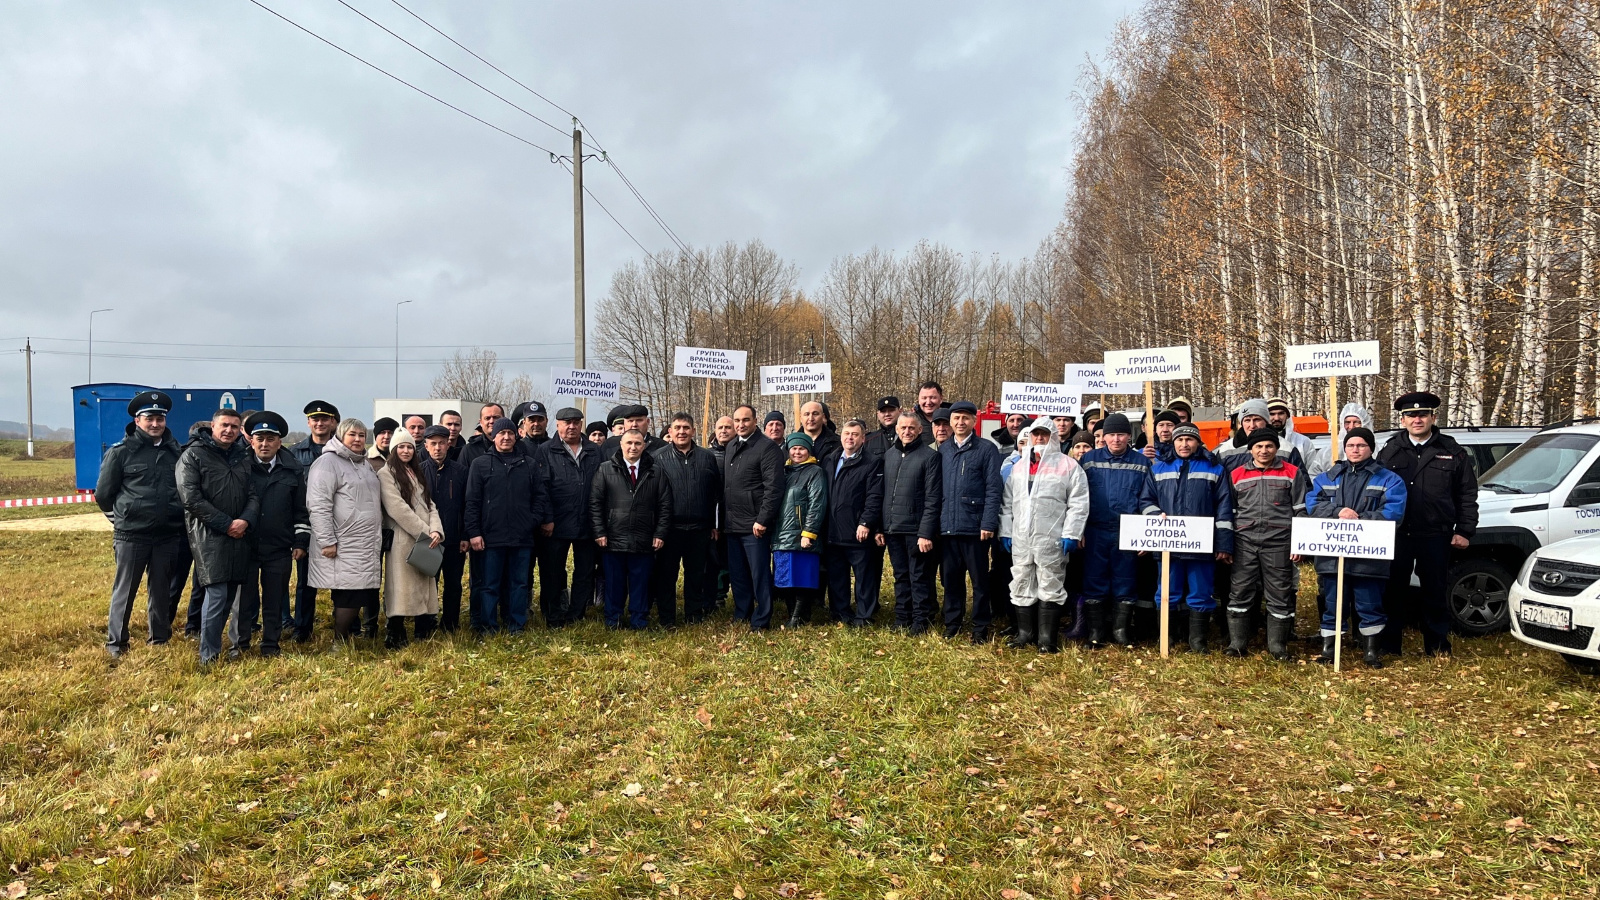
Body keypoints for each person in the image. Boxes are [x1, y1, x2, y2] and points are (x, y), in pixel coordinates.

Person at [1377, 391, 1478, 658]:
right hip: (1397, 534)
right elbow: (1374, 489)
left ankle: (1437, 647)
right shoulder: (1390, 450)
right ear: (1402, 420)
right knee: (1393, 591)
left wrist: (1465, 530)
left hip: (1436, 533)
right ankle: (1389, 647)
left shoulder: (1451, 450)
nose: (1417, 419)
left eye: (1423, 415)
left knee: (1434, 591)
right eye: (1411, 415)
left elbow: (1467, 493)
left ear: (1433, 417)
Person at [96, 391, 186, 660]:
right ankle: (117, 645)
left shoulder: (175, 453)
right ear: (137, 421)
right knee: (125, 590)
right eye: (149, 418)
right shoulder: (120, 453)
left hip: (167, 534)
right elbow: (103, 495)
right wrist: (121, 520)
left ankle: (159, 639)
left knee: (161, 591)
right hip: (131, 535)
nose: (155, 424)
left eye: (160, 418)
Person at [1309, 427, 1408, 668]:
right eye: (1351, 445)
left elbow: (1393, 513)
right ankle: (1329, 650)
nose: (1355, 449)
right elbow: (1312, 503)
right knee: (1333, 603)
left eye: (1361, 445)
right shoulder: (1329, 476)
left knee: (1369, 603)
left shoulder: (1388, 479)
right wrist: (1337, 512)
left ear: (1371, 448)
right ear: (1345, 448)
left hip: (1369, 558)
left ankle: (1371, 651)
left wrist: (1359, 519)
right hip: (1332, 556)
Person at [1136, 424, 1234, 653]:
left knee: (1201, 592)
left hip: (1202, 545)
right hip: (1167, 544)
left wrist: (1223, 543)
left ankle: (1198, 643)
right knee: (1167, 593)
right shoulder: (1158, 468)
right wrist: (1154, 515)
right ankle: (1166, 639)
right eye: (1180, 440)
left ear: (1198, 442)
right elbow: (1145, 500)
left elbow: (1224, 509)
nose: (1184, 444)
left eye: (1190, 440)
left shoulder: (1215, 469)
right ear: (1173, 442)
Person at [175, 408, 259, 666]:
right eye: (224, 425)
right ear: (212, 426)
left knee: (231, 591)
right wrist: (226, 524)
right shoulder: (193, 455)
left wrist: (244, 520)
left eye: (234, 427)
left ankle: (217, 646)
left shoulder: (243, 456)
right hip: (209, 536)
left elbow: (254, 494)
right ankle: (208, 655)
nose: (229, 430)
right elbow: (191, 499)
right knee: (217, 594)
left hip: (240, 534)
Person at [999, 418, 1090, 652]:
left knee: (1051, 583)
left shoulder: (1068, 466)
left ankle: (1047, 640)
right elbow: (1007, 503)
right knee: (1021, 581)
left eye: (1044, 435)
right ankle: (1024, 634)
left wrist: (1072, 533)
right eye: (1035, 435)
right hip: (1021, 538)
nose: (1039, 439)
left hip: (1052, 537)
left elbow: (1078, 503)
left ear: (1053, 437)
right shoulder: (1018, 467)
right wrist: (1006, 532)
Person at [1226, 429, 1310, 657]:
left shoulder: (1292, 473)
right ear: (1250, 449)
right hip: (1245, 542)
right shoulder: (1236, 474)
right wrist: (1228, 544)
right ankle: (1237, 644)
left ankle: (1277, 646)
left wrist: (1299, 544)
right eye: (1259, 447)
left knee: (1280, 593)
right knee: (1240, 592)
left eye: (1269, 446)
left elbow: (1301, 510)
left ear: (1276, 448)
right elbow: (1229, 512)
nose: (1264, 451)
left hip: (1279, 543)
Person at [464, 417, 549, 635]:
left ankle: (516, 625)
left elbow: (540, 498)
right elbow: (472, 502)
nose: (506, 437)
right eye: (502, 433)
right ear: (494, 436)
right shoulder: (480, 464)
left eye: (510, 433)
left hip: (522, 537)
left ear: (517, 435)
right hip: (491, 537)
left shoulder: (528, 464)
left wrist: (531, 521)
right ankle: (488, 626)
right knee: (490, 584)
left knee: (519, 584)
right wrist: (474, 533)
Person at [234, 411, 308, 659]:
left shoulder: (293, 469)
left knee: (275, 598)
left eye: (270, 439)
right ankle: (241, 644)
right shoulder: (239, 466)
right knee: (244, 598)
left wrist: (300, 541)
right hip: (245, 544)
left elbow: (300, 510)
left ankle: (270, 645)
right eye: (259, 438)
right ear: (251, 441)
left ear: (279, 442)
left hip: (279, 546)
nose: (264, 444)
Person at [307, 419, 384, 642]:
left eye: (362, 435)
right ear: (340, 436)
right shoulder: (327, 463)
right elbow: (318, 505)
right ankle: (339, 642)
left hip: (364, 542)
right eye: (352, 434)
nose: (358, 439)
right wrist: (327, 541)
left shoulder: (363, 463)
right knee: (347, 594)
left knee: (355, 591)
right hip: (343, 541)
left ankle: (349, 636)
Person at [1079, 413, 1152, 647]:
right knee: (1094, 579)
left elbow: (1146, 498)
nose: (1116, 439)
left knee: (1126, 580)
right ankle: (1096, 632)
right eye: (1111, 434)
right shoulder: (1088, 460)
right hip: (1095, 530)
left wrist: (1144, 535)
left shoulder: (1142, 463)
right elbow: (1078, 498)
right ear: (1104, 437)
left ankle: (1121, 631)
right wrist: (1078, 530)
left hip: (1128, 531)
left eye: (1121, 434)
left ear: (1129, 436)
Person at [589, 429, 672, 629]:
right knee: (614, 584)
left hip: (643, 539)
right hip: (613, 539)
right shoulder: (605, 469)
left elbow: (665, 505)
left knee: (640, 584)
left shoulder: (656, 472)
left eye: (637, 443)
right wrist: (599, 531)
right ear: (621, 445)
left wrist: (660, 533)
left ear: (643, 446)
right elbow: (595, 503)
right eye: (629, 443)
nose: (633, 447)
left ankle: (639, 620)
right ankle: (613, 619)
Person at [938, 401, 1003, 642]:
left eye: (965, 418)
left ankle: (980, 627)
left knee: (979, 581)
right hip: (948, 527)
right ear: (951, 422)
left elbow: (994, 489)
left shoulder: (987, 449)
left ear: (974, 421)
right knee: (951, 580)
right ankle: (952, 623)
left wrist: (988, 523)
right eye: (956, 418)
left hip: (975, 528)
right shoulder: (944, 450)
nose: (960, 422)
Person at [650, 413, 722, 626]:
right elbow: (652, 495)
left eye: (686, 428)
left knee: (696, 576)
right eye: (677, 428)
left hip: (699, 528)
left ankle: (694, 615)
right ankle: (667, 618)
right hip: (670, 528)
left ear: (693, 431)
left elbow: (715, 493)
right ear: (670, 432)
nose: (682, 432)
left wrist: (713, 524)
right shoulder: (658, 458)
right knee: (666, 576)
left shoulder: (707, 457)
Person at [377, 431, 446, 647]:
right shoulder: (385, 473)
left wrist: (436, 530)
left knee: (423, 583)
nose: (406, 451)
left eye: (409, 447)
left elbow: (430, 504)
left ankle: (422, 629)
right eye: (401, 447)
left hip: (425, 538)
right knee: (401, 587)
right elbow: (397, 509)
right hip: (403, 539)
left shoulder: (416, 471)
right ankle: (395, 632)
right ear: (393, 450)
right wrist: (426, 532)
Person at [723, 404, 785, 630]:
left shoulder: (767, 448)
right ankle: (742, 612)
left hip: (754, 525)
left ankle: (762, 618)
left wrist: (763, 519)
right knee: (738, 575)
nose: (741, 425)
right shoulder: (731, 446)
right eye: (737, 420)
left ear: (755, 421)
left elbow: (774, 489)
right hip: (732, 524)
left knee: (759, 575)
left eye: (746, 420)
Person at [880, 412, 943, 634]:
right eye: (903, 428)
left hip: (916, 530)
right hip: (893, 528)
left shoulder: (930, 457)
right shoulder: (889, 456)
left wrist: (926, 532)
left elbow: (933, 498)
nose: (907, 432)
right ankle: (901, 618)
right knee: (900, 576)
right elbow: (883, 493)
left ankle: (920, 621)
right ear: (897, 430)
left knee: (919, 577)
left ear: (919, 431)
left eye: (911, 428)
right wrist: (881, 527)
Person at [823, 419, 884, 626]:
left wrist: (866, 522)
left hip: (857, 530)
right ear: (841, 436)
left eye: (855, 434)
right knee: (837, 576)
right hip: (833, 530)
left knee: (864, 577)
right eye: (847, 433)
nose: (850, 437)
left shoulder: (871, 462)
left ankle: (864, 615)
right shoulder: (831, 460)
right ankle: (841, 613)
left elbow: (874, 496)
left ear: (863, 438)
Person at [288, 400, 339, 642]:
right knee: (306, 581)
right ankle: (302, 629)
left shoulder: (343, 450)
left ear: (332, 422)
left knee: (342, 579)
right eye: (315, 419)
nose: (320, 423)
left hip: (339, 525)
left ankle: (347, 625)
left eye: (324, 419)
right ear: (308, 422)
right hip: (308, 524)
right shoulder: (295, 453)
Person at [774, 432, 828, 626]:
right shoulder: (783, 472)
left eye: (802, 448)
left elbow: (817, 503)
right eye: (794, 448)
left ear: (808, 451)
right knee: (785, 577)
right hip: (781, 534)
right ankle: (793, 614)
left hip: (801, 534)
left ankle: (799, 616)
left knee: (802, 577)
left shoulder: (814, 472)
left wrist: (809, 532)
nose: (797, 452)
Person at [420, 425, 470, 632]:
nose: (438, 448)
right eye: (433, 444)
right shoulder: (418, 471)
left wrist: (465, 535)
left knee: (453, 584)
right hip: (427, 540)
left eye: (442, 443)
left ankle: (450, 623)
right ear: (426, 445)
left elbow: (468, 505)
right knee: (428, 584)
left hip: (453, 538)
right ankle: (425, 623)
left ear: (448, 445)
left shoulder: (461, 472)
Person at [1217, 399, 1305, 472]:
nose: (1252, 426)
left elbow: (1301, 485)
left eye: (1257, 420)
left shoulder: (1286, 448)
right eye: (1247, 420)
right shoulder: (1225, 450)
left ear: (1267, 421)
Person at [1266, 398, 1323, 475]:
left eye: (1281, 413)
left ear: (1287, 416)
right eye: (1272, 414)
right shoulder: (1258, 442)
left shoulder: (1303, 441)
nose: (1276, 418)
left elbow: (1312, 472)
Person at [458, 404, 505, 471]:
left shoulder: (517, 447)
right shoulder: (469, 450)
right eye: (487, 418)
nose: (491, 421)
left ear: (504, 419)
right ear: (481, 422)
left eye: (496, 417)